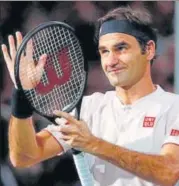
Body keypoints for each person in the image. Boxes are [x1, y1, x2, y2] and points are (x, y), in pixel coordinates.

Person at [1, 6, 179, 186]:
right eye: (104, 51)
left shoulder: (174, 108)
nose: (111, 61)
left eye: (121, 48)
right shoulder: (88, 108)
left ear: (148, 50)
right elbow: (24, 157)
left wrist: (93, 144)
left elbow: (169, 172)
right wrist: (21, 96)